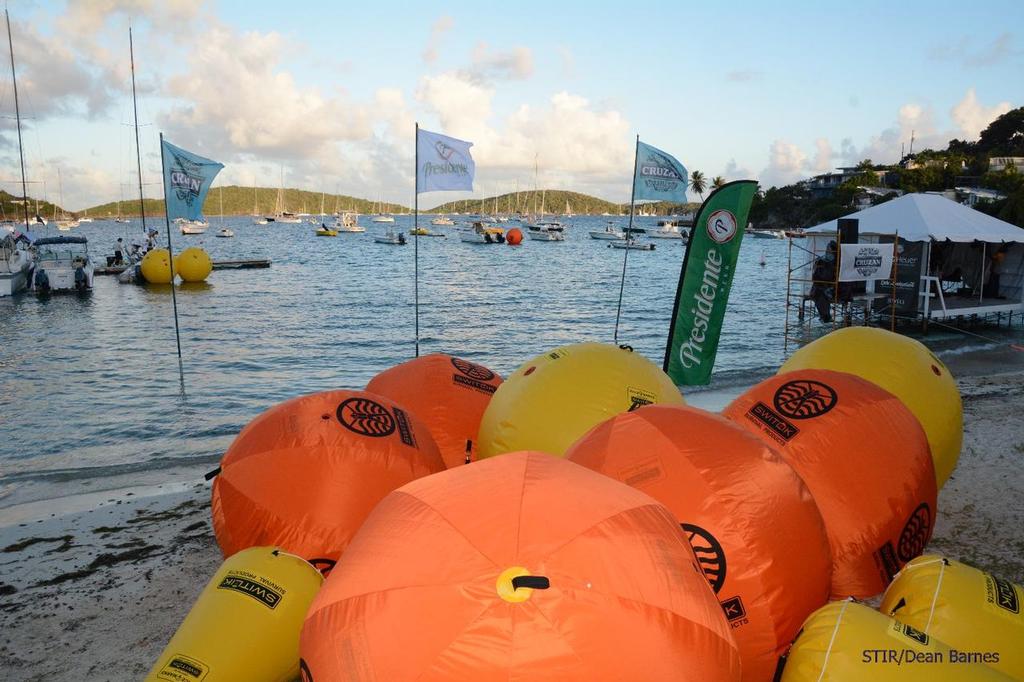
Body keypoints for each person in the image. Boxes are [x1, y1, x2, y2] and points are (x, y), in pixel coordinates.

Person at [810, 240, 838, 323]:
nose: (827, 251)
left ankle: (825, 316)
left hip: (831, 286)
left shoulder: (837, 262)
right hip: (820, 285)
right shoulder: (821, 260)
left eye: (829, 250)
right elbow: (815, 276)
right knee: (818, 293)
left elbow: (831, 277)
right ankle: (825, 316)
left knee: (821, 294)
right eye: (827, 250)